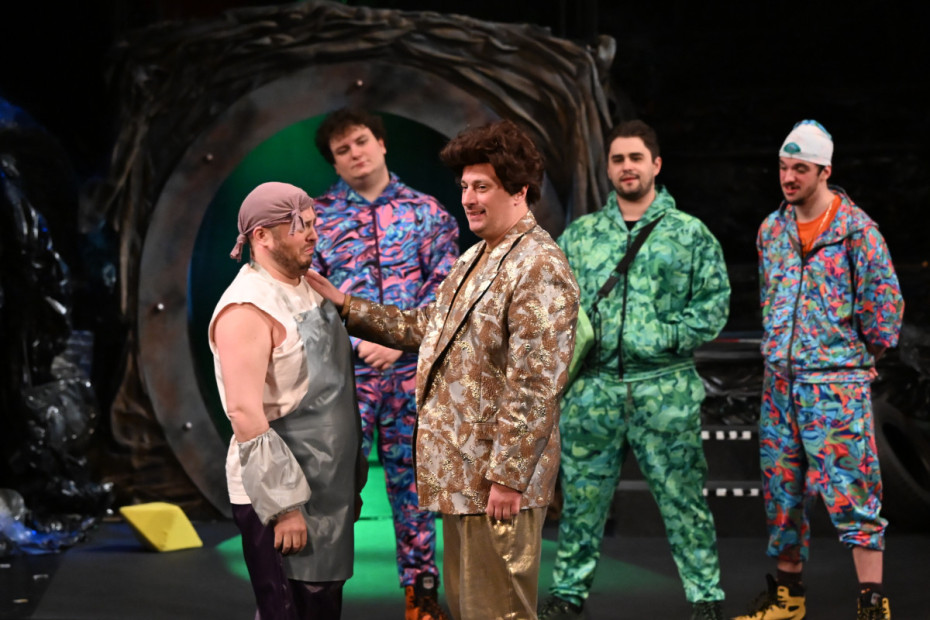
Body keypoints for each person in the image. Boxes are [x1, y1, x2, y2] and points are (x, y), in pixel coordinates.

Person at [306, 119, 579, 620]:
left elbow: (536, 384)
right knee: (473, 609)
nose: (468, 199)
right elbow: (425, 324)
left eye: (482, 187)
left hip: (496, 484)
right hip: (465, 478)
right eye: (465, 187)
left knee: (498, 612)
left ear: (519, 190)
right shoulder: (478, 256)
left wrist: (509, 477)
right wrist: (346, 305)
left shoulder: (537, 264)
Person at [539, 120, 730, 620]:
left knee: (683, 500)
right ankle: (568, 593)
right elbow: (553, 305)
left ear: (656, 165)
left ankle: (705, 596)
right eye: (618, 159)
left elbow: (713, 306)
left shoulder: (688, 234)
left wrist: (662, 338)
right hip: (593, 389)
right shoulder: (581, 237)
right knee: (581, 502)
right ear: (608, 169)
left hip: (664, 388)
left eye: (636, 158)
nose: (627, 167)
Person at [733, 120, 904, 620]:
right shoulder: (773, 230)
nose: (788, 177)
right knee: (782, 492)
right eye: (783, 167)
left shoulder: (857, 232)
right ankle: (788, 599)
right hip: (780, 386)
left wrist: (846, 359)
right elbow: (771, 297)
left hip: (835, 386)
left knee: (854, 493)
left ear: (825, 170)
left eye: (800, 169)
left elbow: (885, 313)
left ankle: (872, 603)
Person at [312, 108, 460, 619]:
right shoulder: (316, 219)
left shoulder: (427, 213)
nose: (355, 154)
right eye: (343, 150)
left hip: (412, 373)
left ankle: (422, 595)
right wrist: (359, 342)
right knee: (331, 485)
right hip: (344, 376)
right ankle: (315, 593)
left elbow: (446, 285)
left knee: (414, 486)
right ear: (334, 162)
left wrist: (400, 341)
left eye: (361, 141)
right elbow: (308, 292)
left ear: (381, 143)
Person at [209, 182, 367, 620]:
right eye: (300, 227)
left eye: (313, 224)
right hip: (283, 494)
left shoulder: (310, 288)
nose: (313, 235)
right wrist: (284, 508)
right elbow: (244, 412)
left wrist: (347, 483)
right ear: (261, 236)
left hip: (325, 485)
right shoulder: (246, 309)